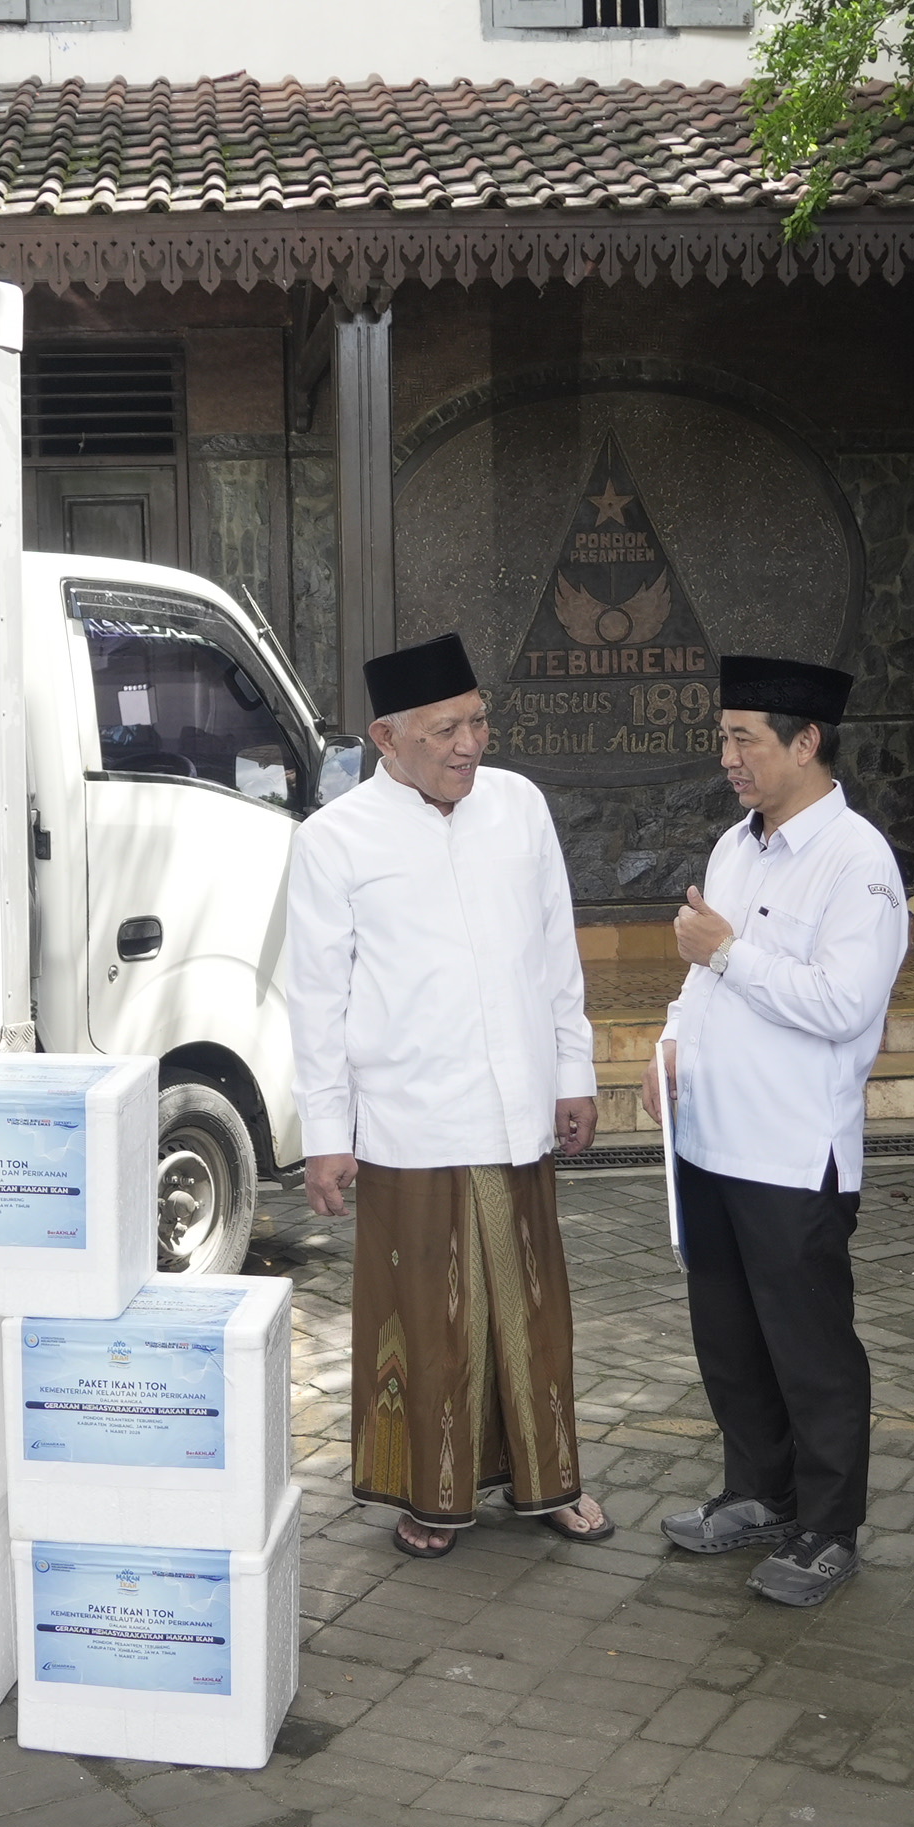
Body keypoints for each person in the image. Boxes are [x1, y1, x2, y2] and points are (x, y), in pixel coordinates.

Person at [283, 631, 615, 1559]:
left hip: (518, 1113)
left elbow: (557, 953)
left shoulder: (519, 806)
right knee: (425, 1320)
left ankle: (552, 1484)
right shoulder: (334, 840)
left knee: (532, 1308)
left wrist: (573, 1073)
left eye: (477, 722)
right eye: (444, 731)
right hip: (407, 1122)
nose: (469, 745)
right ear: (387, 740)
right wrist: (327, 1132)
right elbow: (316, 998)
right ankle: (429, 1492)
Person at [644, 656, 910, 1608]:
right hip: (710, 1138)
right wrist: (668, 1044)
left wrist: (729, 954)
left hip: (795, 1151)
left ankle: (830, 1528)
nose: (728, 758)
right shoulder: (736, 847)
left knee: (811, 1349)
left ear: (807, 743)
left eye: (745, 738)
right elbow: (697, 977)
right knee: (731, 1336)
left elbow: (844, 1005)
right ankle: (758, 1495)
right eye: (724, 738)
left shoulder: (858, 862)